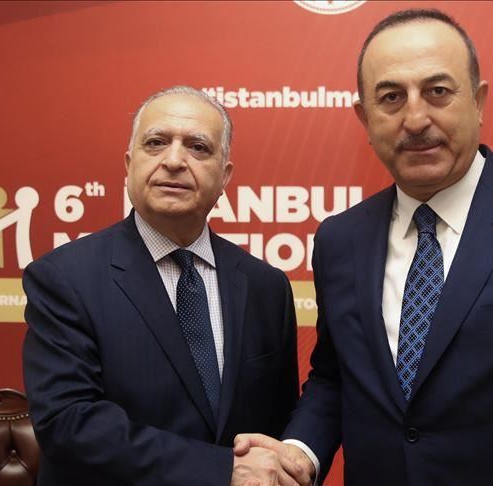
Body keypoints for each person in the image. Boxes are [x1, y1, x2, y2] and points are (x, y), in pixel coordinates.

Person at [234, 9, 493, 485]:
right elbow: (335, 378)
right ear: (364, 119)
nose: (415, 119)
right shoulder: (340, 239)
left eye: (437, 91)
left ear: (478, 101)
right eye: (391, 98)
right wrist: (298, 453)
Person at [23, 86, 303, 486]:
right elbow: (68, 424)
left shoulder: (266, 287)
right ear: (129, 164)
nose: (173, 161)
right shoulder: (64, 278)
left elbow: (277, 426)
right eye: (156, 143)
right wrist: (221, 470)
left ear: (224, 176)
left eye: (198, 148)